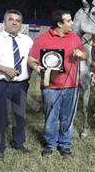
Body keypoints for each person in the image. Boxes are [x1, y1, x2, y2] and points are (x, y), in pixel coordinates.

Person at [28, 10, 87, 157]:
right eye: (68, 21)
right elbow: (31, 59)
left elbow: (85, 55)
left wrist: (81, 54)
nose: (72, 23)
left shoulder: (74, 38)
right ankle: (50, 144)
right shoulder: (42, 39)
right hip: (50, 87)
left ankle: (65, 145)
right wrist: (37, 68)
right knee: (51, 117)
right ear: (59, 24)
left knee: (68, 117)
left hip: (71, 86)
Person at [0, 9, 33, 161]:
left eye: (18, 20)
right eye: (11, 19)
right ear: (4, 22)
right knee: (0, 117)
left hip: (21, 84)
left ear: (21, 24)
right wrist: (4, 69)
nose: (15, 22)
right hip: (0, 84)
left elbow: (31, 60)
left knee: (19, 115)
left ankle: (18, 143)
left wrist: (28, 76)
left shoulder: (27, 40)